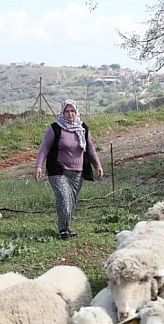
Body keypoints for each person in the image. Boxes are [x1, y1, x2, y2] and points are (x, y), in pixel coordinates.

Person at [34, 99, 103, 240]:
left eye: (72, 111)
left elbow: (90, 149)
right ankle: (63, 230)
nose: (70, 114)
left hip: (77, 172)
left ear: (76, 112)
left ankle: (66, 227)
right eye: (67, 111)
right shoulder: (55, 128)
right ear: (62, 112)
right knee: (64, 199)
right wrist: (38, 166)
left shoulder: (82, 128)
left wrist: (98, 166)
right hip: (58, 171)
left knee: (71, 202)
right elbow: (44, 149)